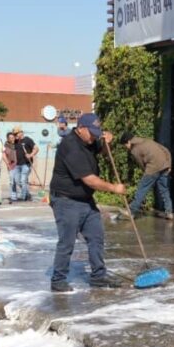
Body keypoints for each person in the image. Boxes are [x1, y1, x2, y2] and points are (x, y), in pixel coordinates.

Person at [48, 112, 126, 292]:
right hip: (66, 200)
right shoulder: (70, 146)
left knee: (96, 237)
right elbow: (89, 180)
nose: (94, 138)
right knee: (67, 241)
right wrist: (114, 188)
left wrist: (107, 143)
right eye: (91, 133)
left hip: (85, 200)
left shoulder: (89, 140)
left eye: (96, 133)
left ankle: (98, 276)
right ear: (80, 128)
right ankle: (58, 279)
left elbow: (103, 152)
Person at [120, 131, 173, 220]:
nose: (126, 147)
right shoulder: (147, 140)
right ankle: (169, 212)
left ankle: (131, 212)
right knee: (164, 190)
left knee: (142, 189)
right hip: (164, 166)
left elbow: (141, 163)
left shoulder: (134, 149)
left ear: (128, 141)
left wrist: (147, 173)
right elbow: (166, 150)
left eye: (125, 145)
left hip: (153, 168)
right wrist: (169, 165)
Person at [12, 127, 36, 202]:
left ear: (21, 133)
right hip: (17, 165)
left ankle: (23, 197)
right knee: (17, 181)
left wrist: (30, 155)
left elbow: (36, 148)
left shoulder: (27, 140)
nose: (15, 135)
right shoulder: (15, 141)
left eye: (16, 133)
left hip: (26, 164)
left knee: (23, 180)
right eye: (14, 134)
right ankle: (27, 194)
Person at [2, 129, 18, 202]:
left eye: (13, 137)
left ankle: (25, 194)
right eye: (10, 138)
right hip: (11, 166)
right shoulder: (5, 146)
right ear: (7, 139)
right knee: (12, 181)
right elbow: (4, 155)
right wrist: (7, 164)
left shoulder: (17, 145)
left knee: (19, 181)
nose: (12, 139)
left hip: (19, 165)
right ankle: (13, 196)